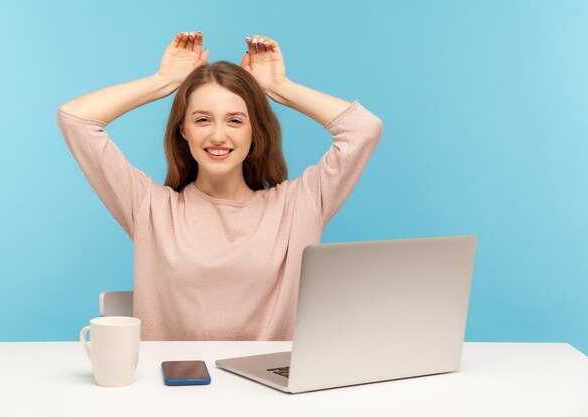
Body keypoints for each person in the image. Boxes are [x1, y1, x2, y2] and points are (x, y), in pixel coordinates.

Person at [57, 31, 384, 341]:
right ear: (183, 130)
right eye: (202, 120)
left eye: (235, 120)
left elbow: (363, 129)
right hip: (172, 393)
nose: (217, 136)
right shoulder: (150, 208)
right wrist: (164, 82)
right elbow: (77, 119)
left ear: (254, 132)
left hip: (269, 395)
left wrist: (279, 86)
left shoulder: (299, 206)